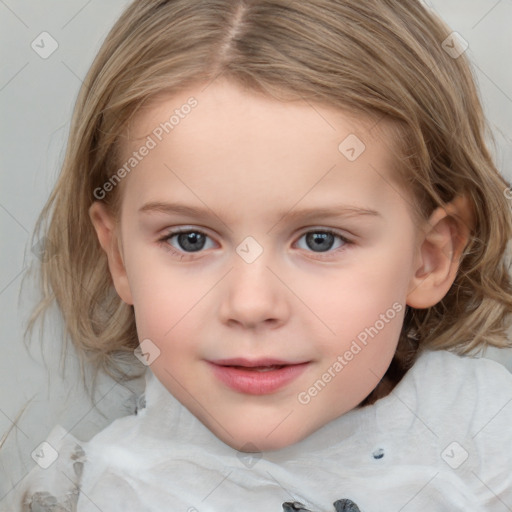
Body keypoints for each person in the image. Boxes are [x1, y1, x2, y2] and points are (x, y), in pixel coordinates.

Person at [7, 0, 512, 510]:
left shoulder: (491, 450)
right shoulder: (105, 494)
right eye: (190, 239)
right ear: (119, 257)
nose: (250, 304)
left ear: (429, 258)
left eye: (321, 240)